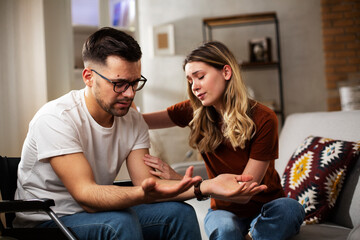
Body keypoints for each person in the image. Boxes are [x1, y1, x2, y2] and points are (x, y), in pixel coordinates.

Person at [14, 27, 265, 240]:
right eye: (119, 83)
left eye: (135, 83)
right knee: (119, 222)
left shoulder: (131, 120)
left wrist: (208, 186)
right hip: (48, 221)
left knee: (180, 214)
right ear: (89, 77)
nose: (130, 93)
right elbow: (87, 196)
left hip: (96, 216)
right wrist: (142, 193)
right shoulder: (56, 118)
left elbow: (146, 184)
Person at [142, 41, 305, 240]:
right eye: (190, 81)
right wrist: (127, 93)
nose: (195, 86)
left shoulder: (264, 118)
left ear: (226, 72)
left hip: (268, 208)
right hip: (223, 212)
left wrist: (180, 180)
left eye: (200, 77)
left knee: (290, 209)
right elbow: (141, 122)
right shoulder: (193, 111)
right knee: (225, 230)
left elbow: (244, 193)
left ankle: (253, 235)